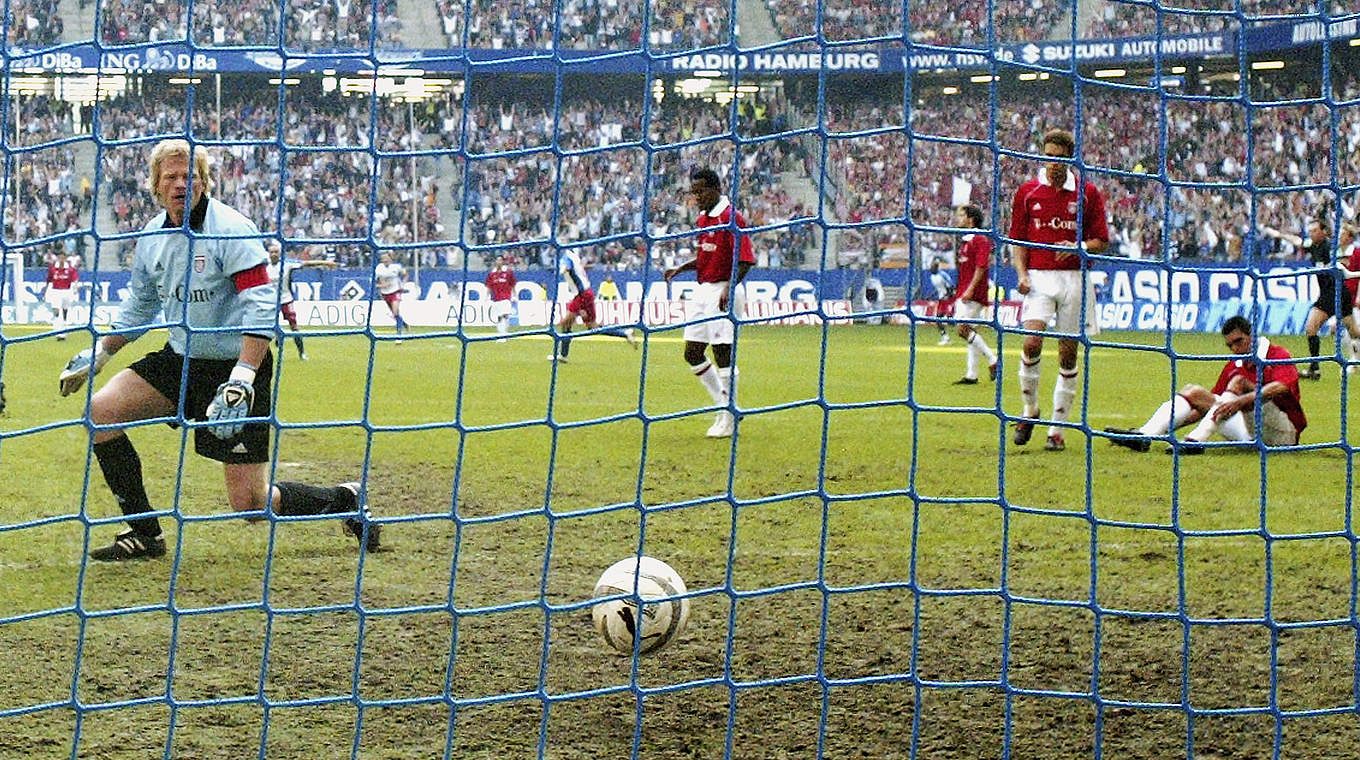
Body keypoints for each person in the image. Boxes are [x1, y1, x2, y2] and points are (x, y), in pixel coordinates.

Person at [56, 139, 380, 562]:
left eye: (189, 174)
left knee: (249, 504)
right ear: (155, 184)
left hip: (235, 368)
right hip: (181, 360)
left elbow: (261, 307)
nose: (180, 182)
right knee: (101, 411)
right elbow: (140, 306)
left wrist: (243, 376)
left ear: (204, 181)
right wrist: (100, 354)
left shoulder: (232, 229)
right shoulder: (152, 237)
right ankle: (145, 533)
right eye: (170, 175)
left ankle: (343, 499)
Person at [1009, 127, 1111, 451]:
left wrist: (1079, 246)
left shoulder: (1088, 193)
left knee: (1068, 354)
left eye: (1058, 157)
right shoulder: (1027, 192)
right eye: (1047, 156)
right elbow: (1017, 242)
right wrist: (1022, 274)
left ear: (1069, 158)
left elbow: (1102, 241)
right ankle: (1030, 410)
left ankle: (1057, 428)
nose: (1052, 163)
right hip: (1039, 278)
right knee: (1032, 341)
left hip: (1075, 279)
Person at [1105, 315, 1306, 454]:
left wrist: (1241, 401)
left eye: (1239, 341)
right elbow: (1208, 409)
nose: (1235, 349)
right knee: (1193, 393)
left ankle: (1196, 440)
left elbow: (1282, 386)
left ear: (1251, 335)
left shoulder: (1277, 354)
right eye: (1230, 345)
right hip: (1250, 434)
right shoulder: (1235, 365)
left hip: (1283, 435)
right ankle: (1145, 435)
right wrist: (1166, 430)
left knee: (1238, 383)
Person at [664, 167, 755, 439]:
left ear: (716, 189)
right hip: (703, 290)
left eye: (701, 191)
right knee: (692, 352)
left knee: (722, 353)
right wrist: (682, 267)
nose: (697, 197)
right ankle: (724, 405)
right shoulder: (704, 219)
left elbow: (747, 260)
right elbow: (707, 256)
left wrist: (729, 285)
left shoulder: (731, 217)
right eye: (694, 192)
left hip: (723, 291)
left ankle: (728, 415)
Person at [1261, 217, 1360, 379]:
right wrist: (1279, 235)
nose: (1311, 234)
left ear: (1323, 232)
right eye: (1310, 231)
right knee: (1315, 328)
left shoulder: (1330, 247)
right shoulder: (1313, 246)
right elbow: (1298, 241)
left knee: (1350, 332)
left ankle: (1315, 369)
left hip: (1339, 293)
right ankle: (1314, 368)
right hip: (1328, 294)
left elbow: (1345, 259)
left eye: (1314, 231)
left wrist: (1335, 265)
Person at [549, 248, 636, 362]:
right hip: (586, 293)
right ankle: (625, 334)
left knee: (565, 323)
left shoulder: (566, 257)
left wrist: (561, 270)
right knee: (592, 327)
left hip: (582, 294)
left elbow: (567, 267)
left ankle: (562, 355)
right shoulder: (573, 256)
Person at [950, 204, 998, 385]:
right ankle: (972, 374)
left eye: (961, 216)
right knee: (971, 331)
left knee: (962, 329)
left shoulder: (980, 239)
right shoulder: (966, 240)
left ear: (970, 219)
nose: (958, 219)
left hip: (972, 293)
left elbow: (981, 266)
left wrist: (970, 289)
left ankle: (993, 360)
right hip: (964, 291)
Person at [268, 242, 338, 360]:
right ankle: (278, 336)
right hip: (271, 301)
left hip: (286, 300)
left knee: (294, 327)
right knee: (269, 325)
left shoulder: (287, 265)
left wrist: (325, 263)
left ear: (280, 254)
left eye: (276, 252)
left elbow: (307, 264)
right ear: (268, 254)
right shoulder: (265, 267)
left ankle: (302, 353)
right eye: (272, 252)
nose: (274, 254)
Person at [43, 250, 80, 339]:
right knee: (56, 311)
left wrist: (75, 288)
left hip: (66, 292)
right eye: (59, 257)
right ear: (58, 258)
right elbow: (48, 280)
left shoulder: (70, 269)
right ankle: (57, 331)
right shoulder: (53, 268)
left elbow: (75, 279)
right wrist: (45, 292)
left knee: (64, 312)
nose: (61, 259)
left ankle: (64, 330)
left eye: (63, 257)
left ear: (65, 258)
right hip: (56, 291)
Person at [374, 252, 408, 341]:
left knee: (395, 311)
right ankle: (403, 323)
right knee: (394, 313)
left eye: (386, 258)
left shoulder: (396, 267)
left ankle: (399, 335)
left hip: (395, 290)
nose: (384, 260)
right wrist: (381, 285)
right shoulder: (379, 268)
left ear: (390, 258)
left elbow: (405, 274)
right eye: (382, 258)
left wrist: (403, 283)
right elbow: (376, 282)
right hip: (385, 293)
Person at [484, 255, 517, 341]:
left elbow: (513, 284)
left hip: (506, 298)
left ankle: (504, 335)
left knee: (505, 315)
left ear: (503, 261)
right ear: (495, 262)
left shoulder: (508, 273)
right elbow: (488, 286)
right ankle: (500, 334)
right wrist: (486, 297)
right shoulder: (492, 274)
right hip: (496, 298)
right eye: (497, 260)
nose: (499, 262)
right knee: (499, 317)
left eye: (500, 260)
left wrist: (514, 295)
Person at [926, 258, 954, 345]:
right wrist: (931, 296)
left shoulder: (943, 275)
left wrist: (947, 296)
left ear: (937, 267)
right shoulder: (932, 277)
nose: (931, 268)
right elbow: (939, 289)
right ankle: (946, 338)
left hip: (948, 300)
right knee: (938, 319)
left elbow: (951, 286)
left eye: (933, 267)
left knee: (951, 321)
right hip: (941, 300)